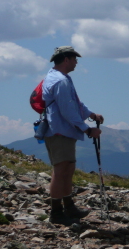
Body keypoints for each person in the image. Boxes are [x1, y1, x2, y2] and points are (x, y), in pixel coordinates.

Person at [42, 46, 104, 226]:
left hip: (62, 130)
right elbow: (68, 110)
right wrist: (87, 129)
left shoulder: (61, 78)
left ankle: (69, 207)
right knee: (60, 170)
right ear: (66, 59)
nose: (77, 62)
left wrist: (91, 114)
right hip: (59, 131)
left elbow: (75, 103)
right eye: (75, 59)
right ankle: (56, 213)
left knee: (67, 170)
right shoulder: (60, 81)